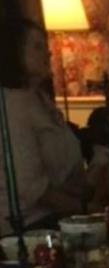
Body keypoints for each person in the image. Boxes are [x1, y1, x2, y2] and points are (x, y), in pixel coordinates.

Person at [0, 18, 84, 234]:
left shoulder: (40, 98)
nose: (47, 53)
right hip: (29, 226)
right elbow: (32, 188)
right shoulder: (11, 106)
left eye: (45, 46)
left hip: (59, 214)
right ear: (14, 53)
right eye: (37, 47)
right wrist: (84, 208)